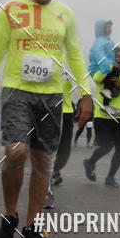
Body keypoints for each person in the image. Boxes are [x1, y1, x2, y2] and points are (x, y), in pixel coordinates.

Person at [0, 0, 92, 238]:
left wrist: (85, 93)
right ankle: (10, 214)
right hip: (17, 91)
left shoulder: (65, 14)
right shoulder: (11, 9)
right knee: (16, 151)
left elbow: (75, 54)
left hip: (52, 95)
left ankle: (32, 226)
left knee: (43, 161)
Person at [83, 48, 120, 186]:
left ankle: (110, 177)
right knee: (106, 147)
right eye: (118, 57)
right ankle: (90, 162)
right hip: (102, 117)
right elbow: (96, 78)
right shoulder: (103, 72)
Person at [45, 68, 76, 208]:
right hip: (48, 112)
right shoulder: (46, 59)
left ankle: (53, 173)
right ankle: (47, 189)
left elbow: (83, 82)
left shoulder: (72, 63)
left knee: (64, 154)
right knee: (47, 152)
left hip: (67, 112)